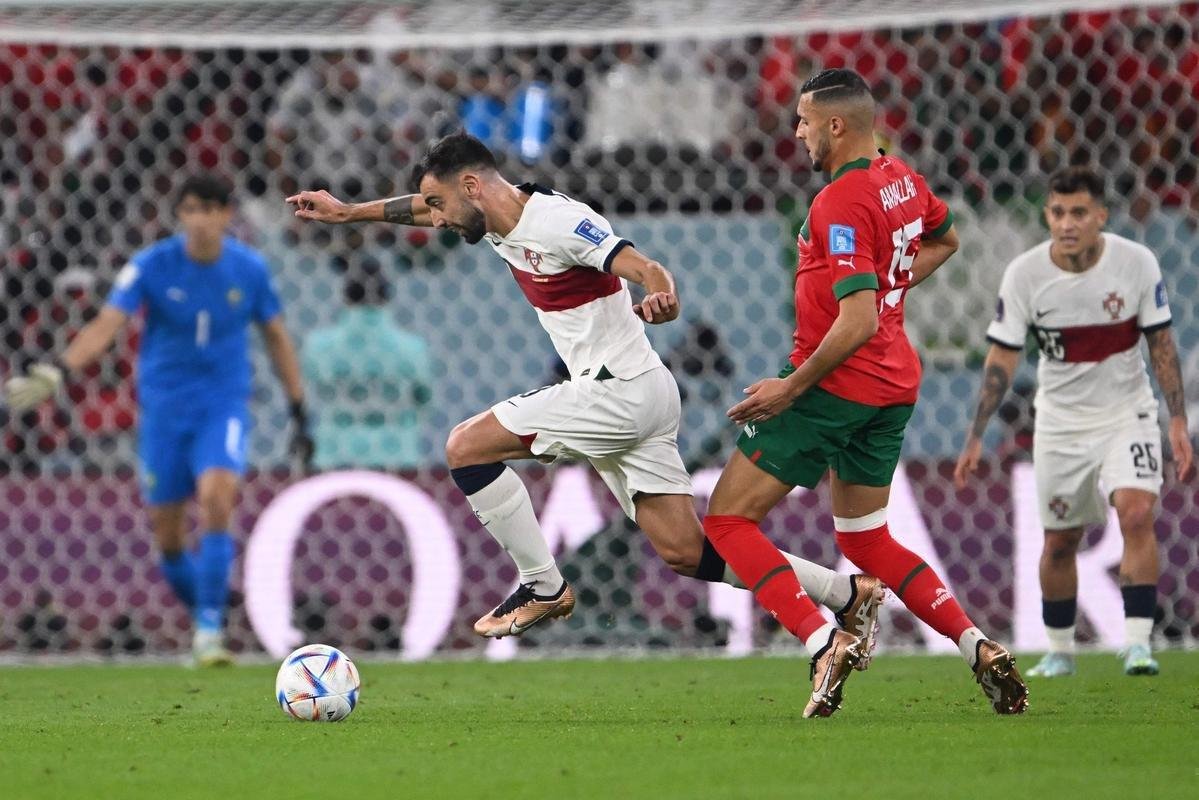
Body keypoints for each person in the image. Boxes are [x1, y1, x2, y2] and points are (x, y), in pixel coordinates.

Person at [286, 132, 887, 701]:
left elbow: (641, 264)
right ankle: (845, 594)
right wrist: (349, 213)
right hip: (639, 395)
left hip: (619, 394)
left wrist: (660, 291)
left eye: (440, 203)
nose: (435, 219)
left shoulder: (558, 223)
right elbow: (419, 208)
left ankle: (543, 584)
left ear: (471, 186)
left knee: (466, 446)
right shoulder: (491, 217)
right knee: (684, 551)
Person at [701, 68, 1028, 717]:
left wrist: (790, 389)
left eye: (802, 121)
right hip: (892, 384)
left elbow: (855, 322)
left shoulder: (840, 201)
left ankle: (822, 640)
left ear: (835, 124)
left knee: (726, 521)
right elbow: (946, 238)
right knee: (865, 541)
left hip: (834, 385)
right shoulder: (900, 178)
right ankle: (977, 644)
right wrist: (889, 288)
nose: (796, 133)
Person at [5, 175, 313, 665]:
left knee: (216, 497)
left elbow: (275, 335)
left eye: (209, 209)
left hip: (222, 404)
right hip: (164, 410)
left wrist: (298, 407)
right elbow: (108, 323)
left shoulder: (250, 269)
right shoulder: (152, 265)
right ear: (180, 215)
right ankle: (210, 608)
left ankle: (209, 632)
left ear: (226, 215)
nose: (200, 219)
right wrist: (59, 369)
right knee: (168, 537)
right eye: (191, 209)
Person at [954, 166, 1194, 677]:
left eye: (1079, 213)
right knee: (1061, 541)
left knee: (1136, 513)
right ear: (1047, 216)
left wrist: (1176, 420)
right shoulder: (1025, 274)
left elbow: (1161, 343)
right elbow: (1002, 357)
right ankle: (1060, 650)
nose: (1067, 224)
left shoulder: (1137, 264)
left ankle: (1138, 645)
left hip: (1126, 412)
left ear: (1101, 216)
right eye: (1058, 213)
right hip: (1060, 424)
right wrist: (976, 434)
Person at [301, 257, 434, 470]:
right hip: (397, 451)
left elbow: (308, 391)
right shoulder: (412, 348)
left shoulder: (319, 346)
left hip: (336, 451)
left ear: (345, 296)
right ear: (387, 296)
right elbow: (425, 397)